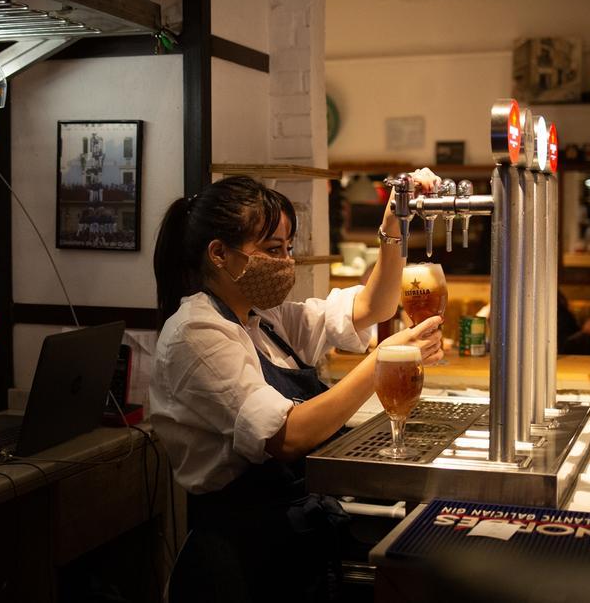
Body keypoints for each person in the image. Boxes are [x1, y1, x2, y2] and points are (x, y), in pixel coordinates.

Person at [151, 172, 443, 602]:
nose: (286, 261)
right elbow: (288, 437)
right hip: (239, 559)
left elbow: (375, 305)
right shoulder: (195, 334)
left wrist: (394, 224)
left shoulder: (265, 319)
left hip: (294, 541)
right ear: (219, 254)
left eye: (288, 248)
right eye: (272, 249)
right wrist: (382, 362)